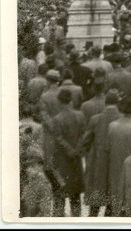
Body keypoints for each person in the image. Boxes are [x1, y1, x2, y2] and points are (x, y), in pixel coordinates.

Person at [83, 90, 121, 216]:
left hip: (97, 162)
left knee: (96, 196)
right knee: (111, 197)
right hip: (115, 163)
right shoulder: (122, 119)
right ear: (117, 103)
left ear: (105, 103)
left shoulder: (95, 119)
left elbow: (86, 141)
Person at [49, 88, 86, 216]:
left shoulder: (57, 119)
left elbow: (58, 138)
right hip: (76, 161)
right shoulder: (80, 115)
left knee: (60, 194)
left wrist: (69, 150)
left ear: (60, 101)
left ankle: (58, 223)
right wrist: (76, 150)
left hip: (62, 161)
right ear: (71, 100)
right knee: (75, 196)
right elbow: (83, 135)